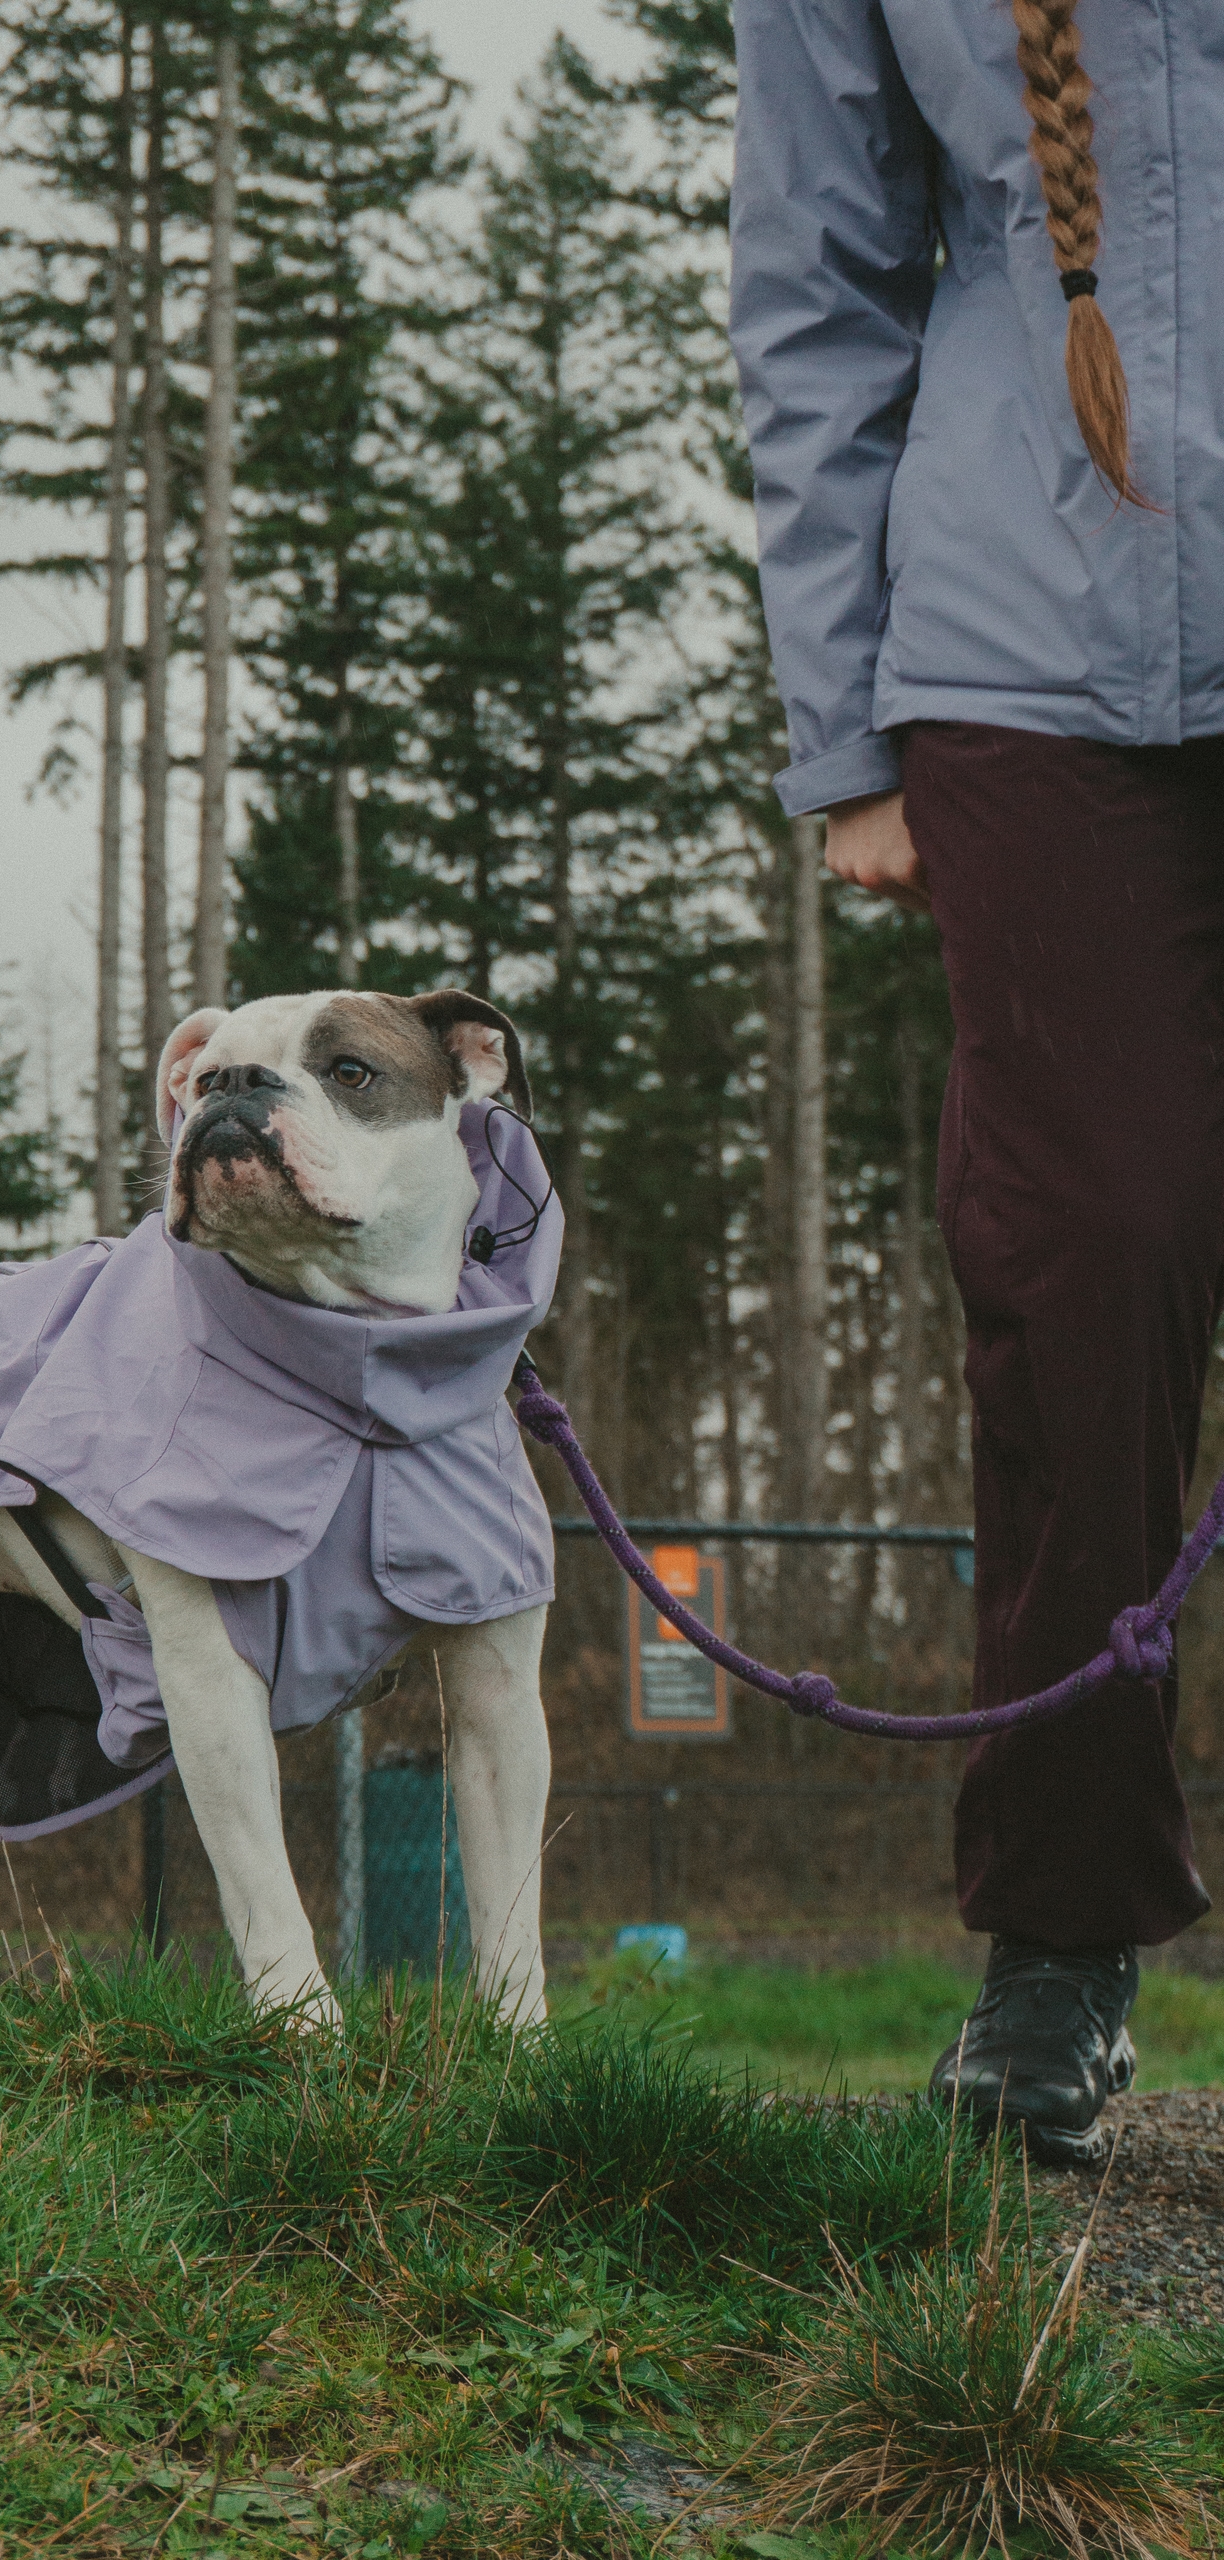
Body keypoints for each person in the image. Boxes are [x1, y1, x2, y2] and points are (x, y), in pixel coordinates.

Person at [730, 0, 1222, 2163]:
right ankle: (1058, 1938)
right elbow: (816, 288)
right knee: (1083, 1259)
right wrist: (839, 729)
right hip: (1030, 662)